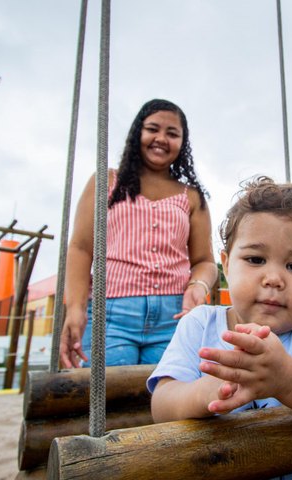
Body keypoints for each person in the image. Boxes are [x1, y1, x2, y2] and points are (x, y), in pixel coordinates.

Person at [147, 177, 292, 433]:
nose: (273, 279)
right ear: (227, 265)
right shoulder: (199, 323)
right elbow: (161, 408)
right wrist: (202, 393)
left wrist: (289, 379)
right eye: (255, 259)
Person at [60, 99, 218, 368]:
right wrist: (75, 308)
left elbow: (204, 261)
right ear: (137, 133)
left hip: (174, 317)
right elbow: (81, 249)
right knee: (107, 391)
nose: (161, 139)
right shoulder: (106, 181)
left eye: (172, 133)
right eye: (153, 129)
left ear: (182, 143)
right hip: (111, 315)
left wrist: (198, 286)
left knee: (172, 392)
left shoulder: (191, 196)